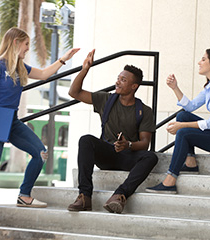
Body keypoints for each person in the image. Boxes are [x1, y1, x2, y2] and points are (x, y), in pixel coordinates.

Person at [0, 27, 80, 226]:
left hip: (12, 120)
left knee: (40, 152)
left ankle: (24, 195)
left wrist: (63, 59)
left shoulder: (20, 66)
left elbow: (43, 74)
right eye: (25, 45)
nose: (27, 49)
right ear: (15, 42)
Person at [146, 48, 210, 194]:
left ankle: (170, 181)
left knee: (183, 132)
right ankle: (190, 163)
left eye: (203, 59)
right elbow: (191, 106)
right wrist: (175, 88)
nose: (199, 62)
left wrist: (181, 126)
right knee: (183, 116)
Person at [67, 49, 158, 214]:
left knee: (151, 157)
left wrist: (128, 145)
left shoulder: (144, 110)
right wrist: (85, 69)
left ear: (134, 86)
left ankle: (120, 195)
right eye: (118, 78)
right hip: (107, 154)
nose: (118, 82)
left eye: (123, 80)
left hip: (128, 156)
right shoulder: (106, 100)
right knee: (86, 140)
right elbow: (74, 92)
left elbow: (145, 144)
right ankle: (84, 196)